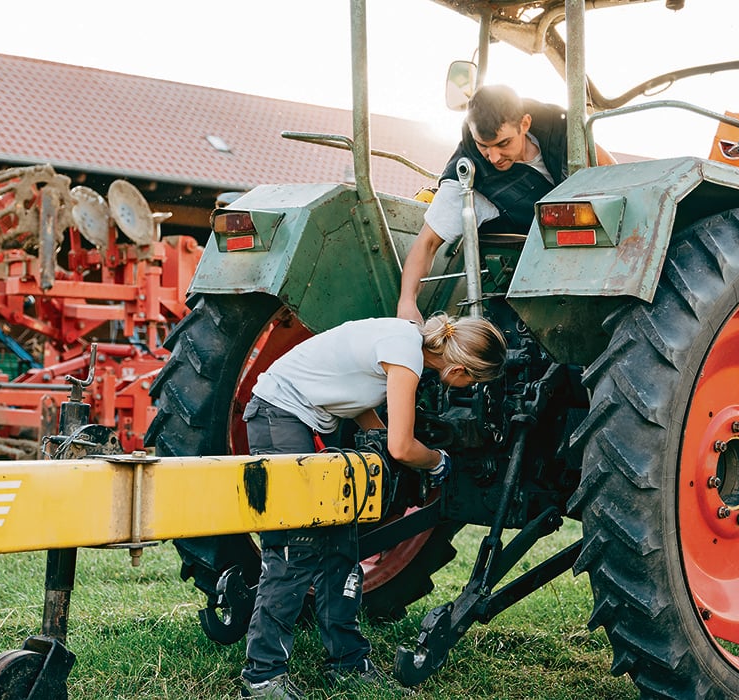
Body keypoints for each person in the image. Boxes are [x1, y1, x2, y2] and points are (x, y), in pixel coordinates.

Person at [239, 313, 507, 699]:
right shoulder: (406, 355)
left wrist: (386, 440)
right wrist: (436, 460)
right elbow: (401, 446)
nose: (469, 387)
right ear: (459, 370)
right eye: (474, 382)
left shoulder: (404, 341)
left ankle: (347, 663)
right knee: (293, 549)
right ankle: (262, 677)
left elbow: (356, 401)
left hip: (305, 418)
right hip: (278, 414)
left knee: (339, 544)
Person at [398, 84, 613, 323]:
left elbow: (611, 170)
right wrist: (407, 302)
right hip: (538, 272)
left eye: (503, 144)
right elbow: (426, 243)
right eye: (483, 146)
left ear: (525, 124)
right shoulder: (469, 174)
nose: (494, 157)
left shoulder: (561, 131)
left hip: (597, 249)